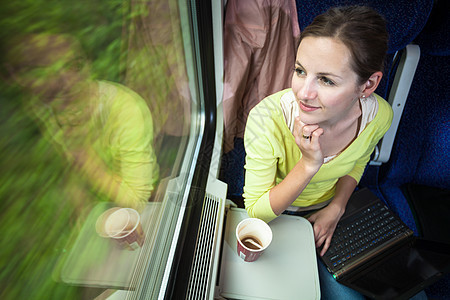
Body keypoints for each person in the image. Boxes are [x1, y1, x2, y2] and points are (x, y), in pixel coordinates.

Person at [243, 5, 400, 299]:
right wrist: (309, 164)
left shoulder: (380, 117)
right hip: (283, 216)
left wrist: (337, 207)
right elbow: (257, 210)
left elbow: (358, 162)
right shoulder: (266, 120)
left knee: (400, 287)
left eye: (326, 80)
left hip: (335, 208)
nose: (304, 92)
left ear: (368, 84)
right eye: (300, 71)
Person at [6, 34, 159, 211]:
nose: (68, 83)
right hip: (97, 197)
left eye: (74, 66)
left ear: (89, 63)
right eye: (47, 74)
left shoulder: (125, 110)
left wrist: (81, 154)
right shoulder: (40, 105)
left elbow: (139, 203)